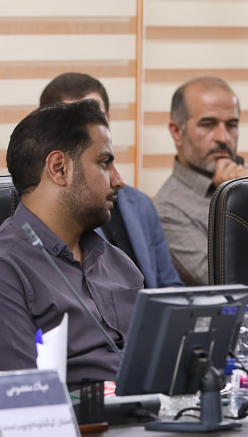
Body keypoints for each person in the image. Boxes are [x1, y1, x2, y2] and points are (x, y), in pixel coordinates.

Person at [0, 100, 143, 382]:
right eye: (104, 163)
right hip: (84, 410)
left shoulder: (116, 261)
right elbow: (27, 396)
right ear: (59, 168)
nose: (119, 180)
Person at [39, 72, 183, 288]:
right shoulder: (48, 212)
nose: (89, 131)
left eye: (96, 118)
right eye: (74, 123)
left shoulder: (141, 204)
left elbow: (170, 287)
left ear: (108, 120)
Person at [154, 76, 248, 286]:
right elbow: (226, 281)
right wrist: (242, 199)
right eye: (208, 125)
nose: (223, 138)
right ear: (177, 132)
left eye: (231, 125)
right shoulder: (168, 209)